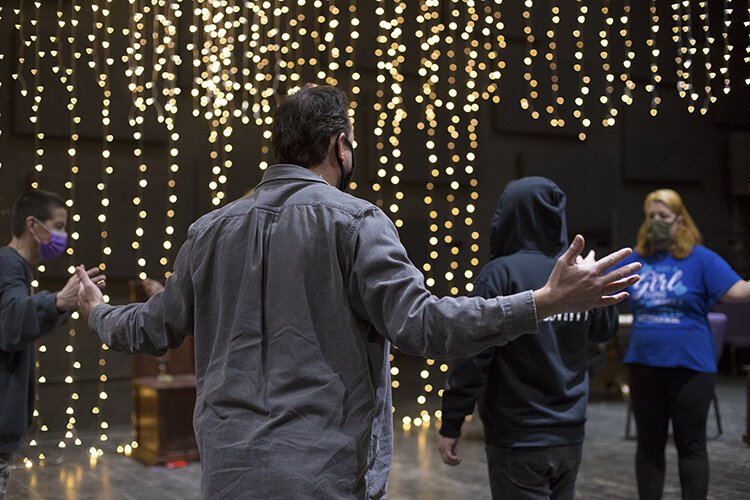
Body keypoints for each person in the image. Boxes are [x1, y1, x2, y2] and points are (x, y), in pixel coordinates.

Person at [74, 85, 640, 499]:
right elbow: (426, 326)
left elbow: (150, 328)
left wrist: (95, 309)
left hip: (228, 473)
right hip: (324, 476)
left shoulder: (208, 230)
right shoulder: (358, 221)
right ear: (339, 145)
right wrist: (542, 301)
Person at [437, 177, 619, 500]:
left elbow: (474, 358)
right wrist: (595, 284)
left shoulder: (500, 274)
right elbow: (604, 331)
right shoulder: (573, 274)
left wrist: (452, 421)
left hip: (517, 436)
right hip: (570, 435)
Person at [616, 188, 750, 499]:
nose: (656, 222)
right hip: (644, 364)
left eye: (663, 216)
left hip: (690, 367)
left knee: (691, 445)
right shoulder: (636, 260)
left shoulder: (701, 259)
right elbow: (599, 285)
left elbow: (738, 291)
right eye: (651, 217)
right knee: (648, 446)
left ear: (680, 221)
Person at [0, 190, 104, 499]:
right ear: (33, 225)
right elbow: (11, 323)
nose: (63, 235)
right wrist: (58, 300)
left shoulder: (15, 266)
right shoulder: (8, 263)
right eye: (58, 226)